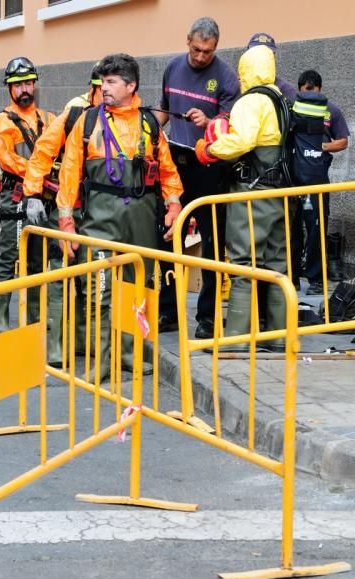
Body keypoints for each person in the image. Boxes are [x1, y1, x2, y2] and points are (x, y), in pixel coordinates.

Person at [57, 53, 183, 379]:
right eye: (102, 81)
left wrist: (173, 207)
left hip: (140, 217)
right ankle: (101, 359)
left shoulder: (149, 124)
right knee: (98, 289)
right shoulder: (87, 123)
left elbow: (168, 172)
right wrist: (66, 221)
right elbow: (69, 174)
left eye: (112, 82)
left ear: (131, 85)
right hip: (100, 217)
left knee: (138, 286)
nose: (105, 88)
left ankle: (132, 354)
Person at [195, 44, 289, 351]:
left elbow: (241, 142)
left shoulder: (251, 102)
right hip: (278, 191)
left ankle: (235, 339)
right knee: (276, 263)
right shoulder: (280, 100)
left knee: (243, 261)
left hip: (252, 191)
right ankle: (278, 336)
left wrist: (209, 149)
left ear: (245, 71)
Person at [156, 17, 240, 339]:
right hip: (174, 163)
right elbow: (164, 109)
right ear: (187, 39)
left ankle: (207, 317)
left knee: (212, 241)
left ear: (216, 48)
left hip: (208, 165)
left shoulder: (226, 77)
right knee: (167, 235)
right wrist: (150, 128)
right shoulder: (173, 67)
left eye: (208, 51)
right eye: (197, 49)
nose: (201, 56)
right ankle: (169, 311)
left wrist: (208, 120)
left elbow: (231, 125)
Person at [23, 63, 103, 366]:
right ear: (94, 88)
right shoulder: (74, 114)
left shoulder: (118, 115)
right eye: (103, 87)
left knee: (87, 274)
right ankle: (55, 345)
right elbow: (42, 153)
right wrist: (32, 195)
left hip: (96, 207)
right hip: (65, 204)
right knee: (58, 272)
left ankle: (82, 339)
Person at [0, 56, 55, 332]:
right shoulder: (1, 123)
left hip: (43, 196)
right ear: (9, 88)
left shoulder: (48, 119)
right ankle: (1, 317)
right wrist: (40, 172)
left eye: (28, 82)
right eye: (18, 85)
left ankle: (35, 317)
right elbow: (9, 160)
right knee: (9, 257)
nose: (25, 89)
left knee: (39, 259)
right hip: (15, 196)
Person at [292, 70, 350, 294]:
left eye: (313, 92)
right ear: (299, 90)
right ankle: (293, 277)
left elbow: (343, 141)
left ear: (320, 90)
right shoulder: (293, 109)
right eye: (305, 93)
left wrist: (322, 147)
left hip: (318, 177)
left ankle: (316, 279)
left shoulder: (331, 110)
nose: (309, 98)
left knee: (316, 228)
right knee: (293, 229)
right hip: (295, 177)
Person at [246, 32, 297, 101]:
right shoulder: (237, 87)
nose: (262, 58)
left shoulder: (286, 90)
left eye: (267, 54)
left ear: (274, 57)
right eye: (257, 53)